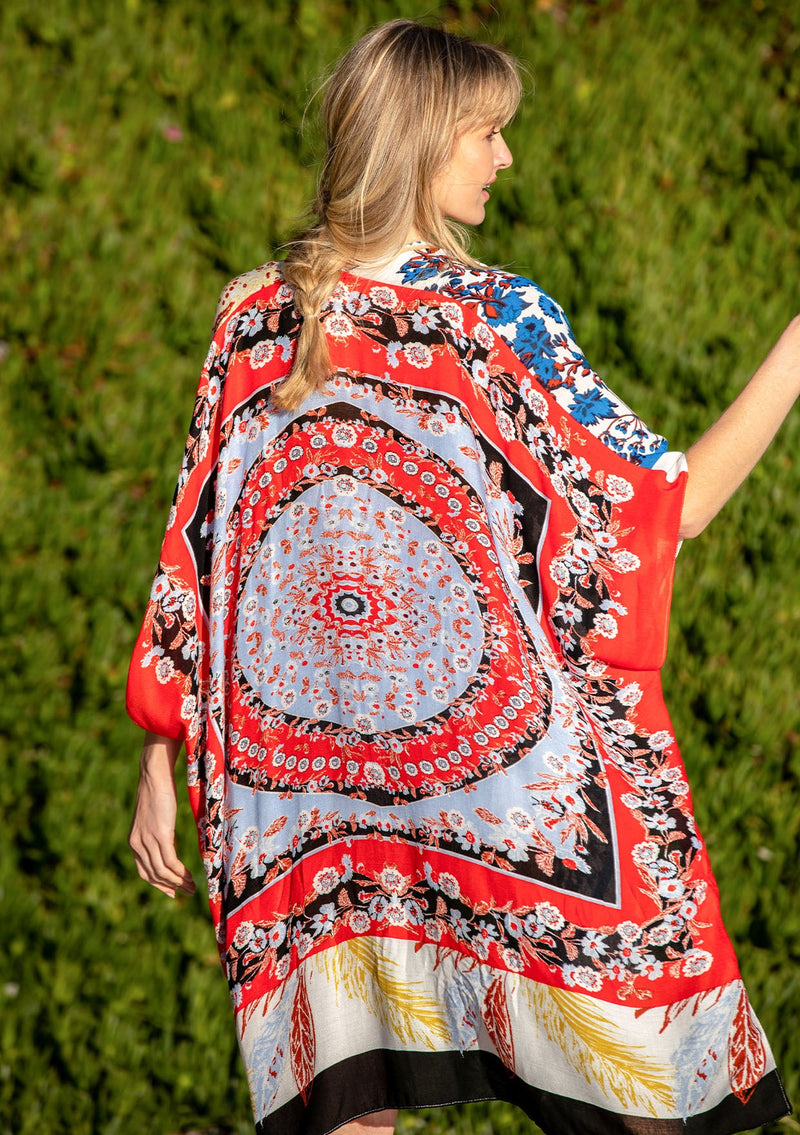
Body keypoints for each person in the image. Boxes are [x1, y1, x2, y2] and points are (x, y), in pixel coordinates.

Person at [127, 18, 798, 1135]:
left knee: (351, 1086)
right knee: (630, 1087)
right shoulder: (463, 322)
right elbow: (654, 517)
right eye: (486, 134)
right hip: (446, 791)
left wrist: (166, 744)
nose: (504, 160)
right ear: (422, 136)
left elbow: (189, 553)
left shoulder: (266, 314)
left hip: (315, 795)